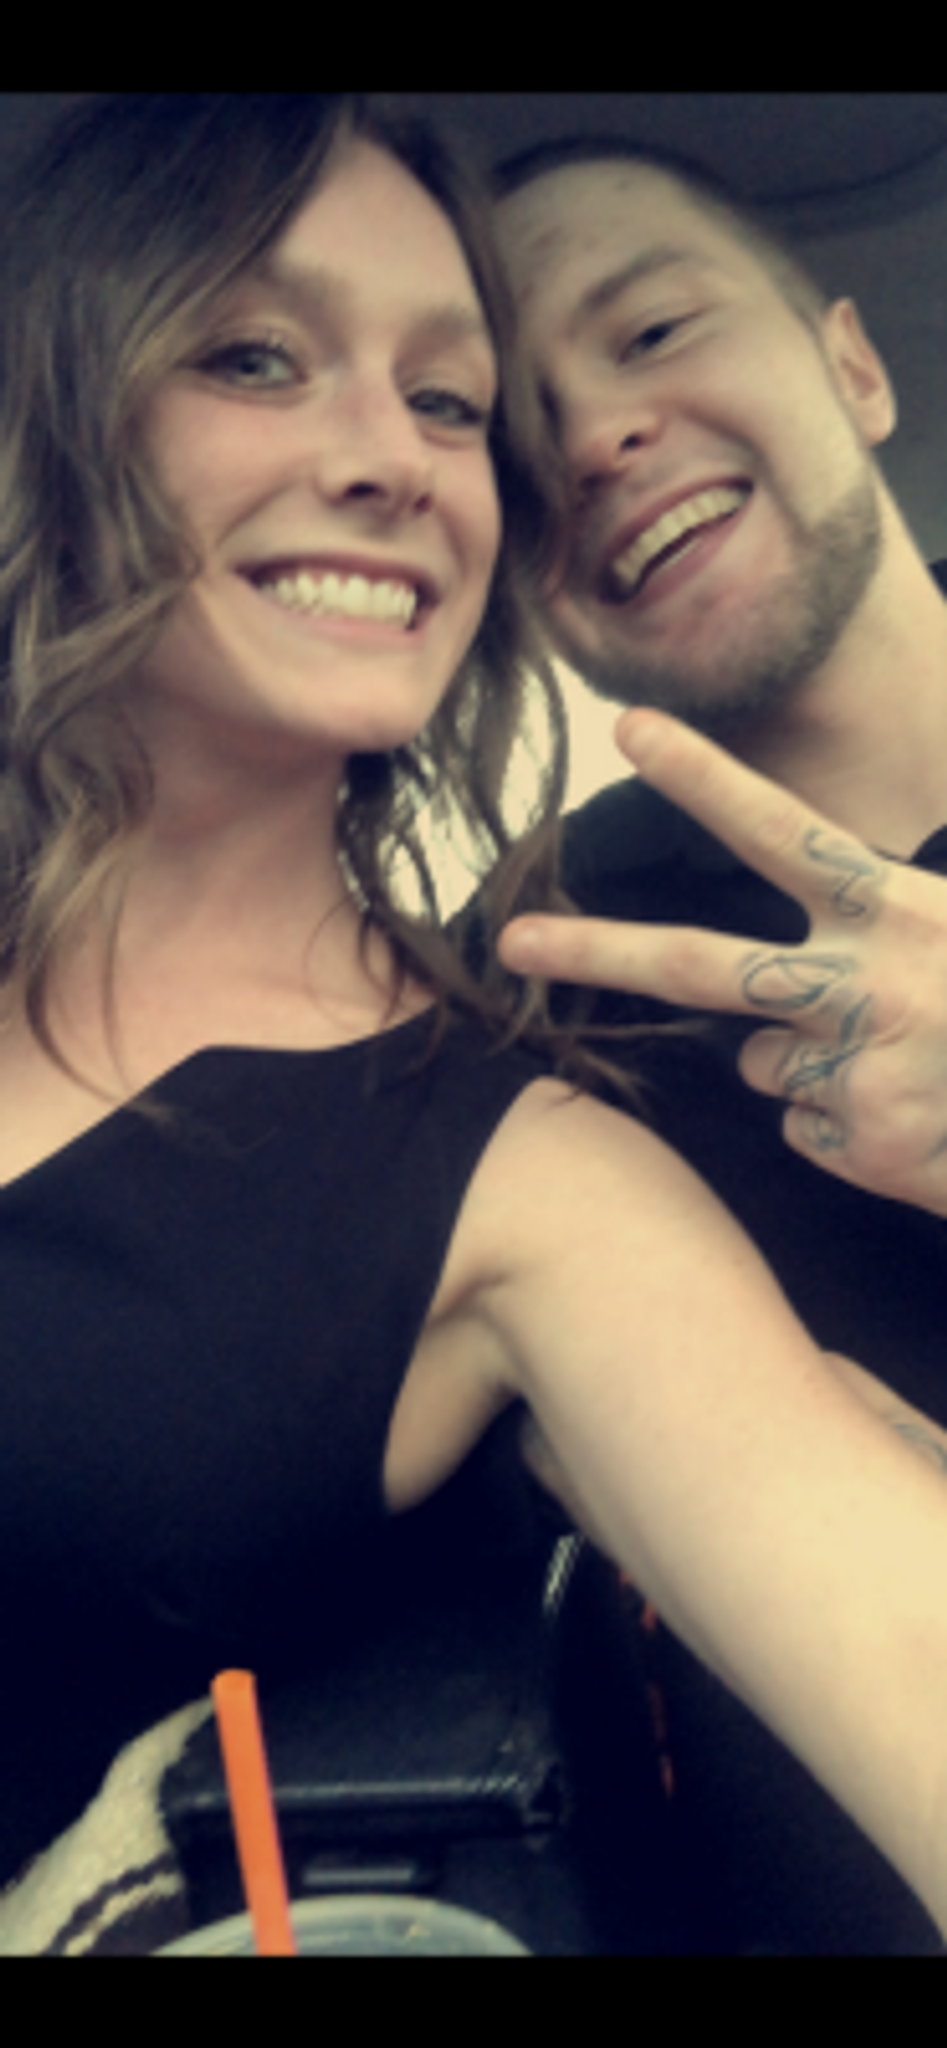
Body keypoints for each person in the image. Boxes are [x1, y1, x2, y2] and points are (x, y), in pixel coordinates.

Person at [2, 94, 947, 1961]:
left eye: (447, 402)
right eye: (254, 356)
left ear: (856, 365)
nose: (400, 454)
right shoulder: (568, 970)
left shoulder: (518, 1161)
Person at [492, 133, 947, 1951]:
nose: (595, 439)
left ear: (853, 364)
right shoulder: (526, 982)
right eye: (507, 434)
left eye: (653, 329)